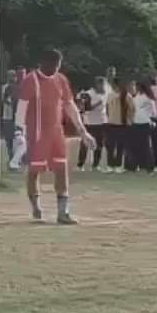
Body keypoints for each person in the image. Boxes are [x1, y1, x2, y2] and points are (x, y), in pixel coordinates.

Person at [19, 49, 95, 224]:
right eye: (52, 65)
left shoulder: (61, 80)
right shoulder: (31, 80)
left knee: (61, 168)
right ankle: (35, 205)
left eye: (57, 65)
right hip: (36, 132)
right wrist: (19, 131)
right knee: (34, 170)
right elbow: (22, 107)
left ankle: (63, 212)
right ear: (42, 63)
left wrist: (83, 131)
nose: (55, 69)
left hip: (56, 132)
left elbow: (69, 105)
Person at [76, 77, 109, 171]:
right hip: (89, 123)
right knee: (85, 144)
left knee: (99, 145)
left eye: (104, 84)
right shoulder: (88, 94)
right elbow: (86, 108)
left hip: (100, 122)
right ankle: (80, 165)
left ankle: (95, 165)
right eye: (101, 84)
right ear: (97, 84)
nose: (103, 86)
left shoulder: (105, 94)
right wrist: (98, 103)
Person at [126, 79, 157, 172]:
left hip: (145, 124)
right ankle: (135, 166)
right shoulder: (135, 97)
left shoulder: (148, 98)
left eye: (137, 86)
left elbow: (154, 113)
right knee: (135, 146)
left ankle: (149, 166)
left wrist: (151, 119)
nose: (135, 88)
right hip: (135, 124)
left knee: (145, 146)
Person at [105, 76, 132, 172]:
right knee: (111, 146)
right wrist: (110, 117)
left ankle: (118, 165)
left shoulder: (126, 95)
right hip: (112, 123)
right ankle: (110, 165)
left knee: (120, 146)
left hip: (122, 124)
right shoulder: (110, 95)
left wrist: (129, 120)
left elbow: (131, 109)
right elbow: (107, 108)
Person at [0, 69, 20, 162]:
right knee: (9, 138)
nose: (13, 78)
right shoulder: (5, 87)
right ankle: (10, 155)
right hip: (7, 115)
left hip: (17, 116)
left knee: (18, 136)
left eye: (14, 76)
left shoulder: (18, 87)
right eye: (11, 76)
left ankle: (17, 157)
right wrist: (9, 101)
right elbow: (3, 100)